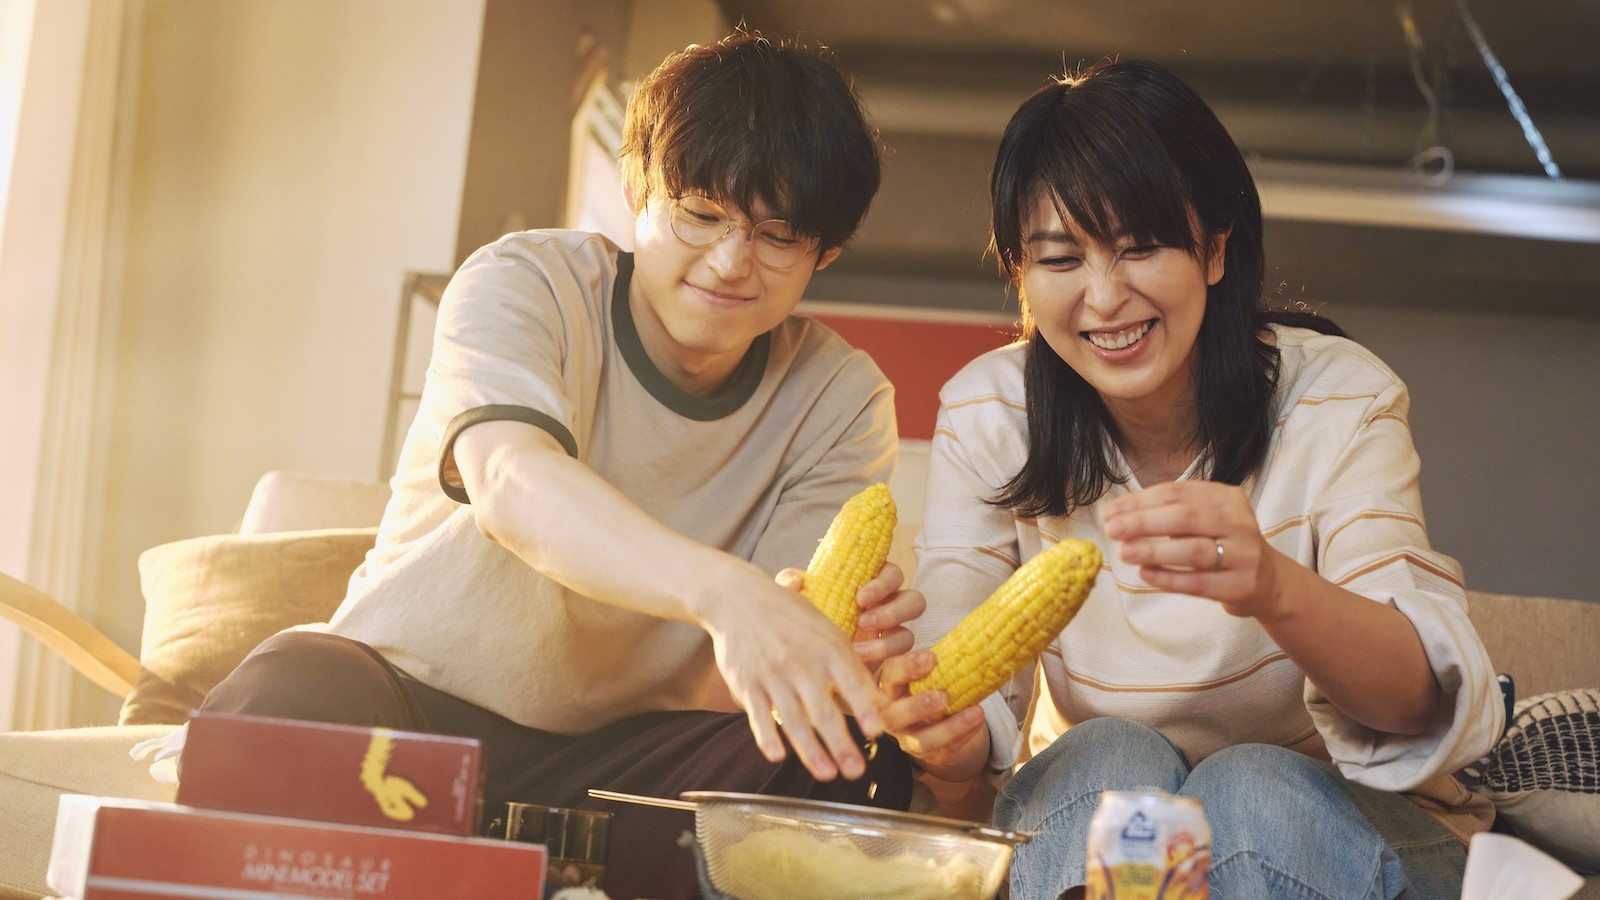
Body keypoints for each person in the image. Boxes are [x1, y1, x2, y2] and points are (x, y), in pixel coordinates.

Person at [197, 31, 922, 898]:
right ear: (634, 193)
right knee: (289, 690)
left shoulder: (840, 397)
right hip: (412, 707)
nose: (733, 262)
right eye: (701, 213)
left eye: (778, 235)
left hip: (629, 766)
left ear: (823, 255)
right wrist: (725, 592)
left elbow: (773, 651)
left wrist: (829, 644)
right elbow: (509, 481)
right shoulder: (525, 283)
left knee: (843, 763)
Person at [877, 59, 1504, 900]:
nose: (1104, 298)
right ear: (1020, 275)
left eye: (1141, 247)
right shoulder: (993, 412)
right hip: (1096, 824)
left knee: (1249, 780)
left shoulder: (1338, 397)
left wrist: (1274, 587)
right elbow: (965, 697)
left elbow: (1420, 700)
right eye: (1061, 259)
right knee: (1107, 758)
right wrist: (935, 727)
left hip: (1344, 836)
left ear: (1213, 249)